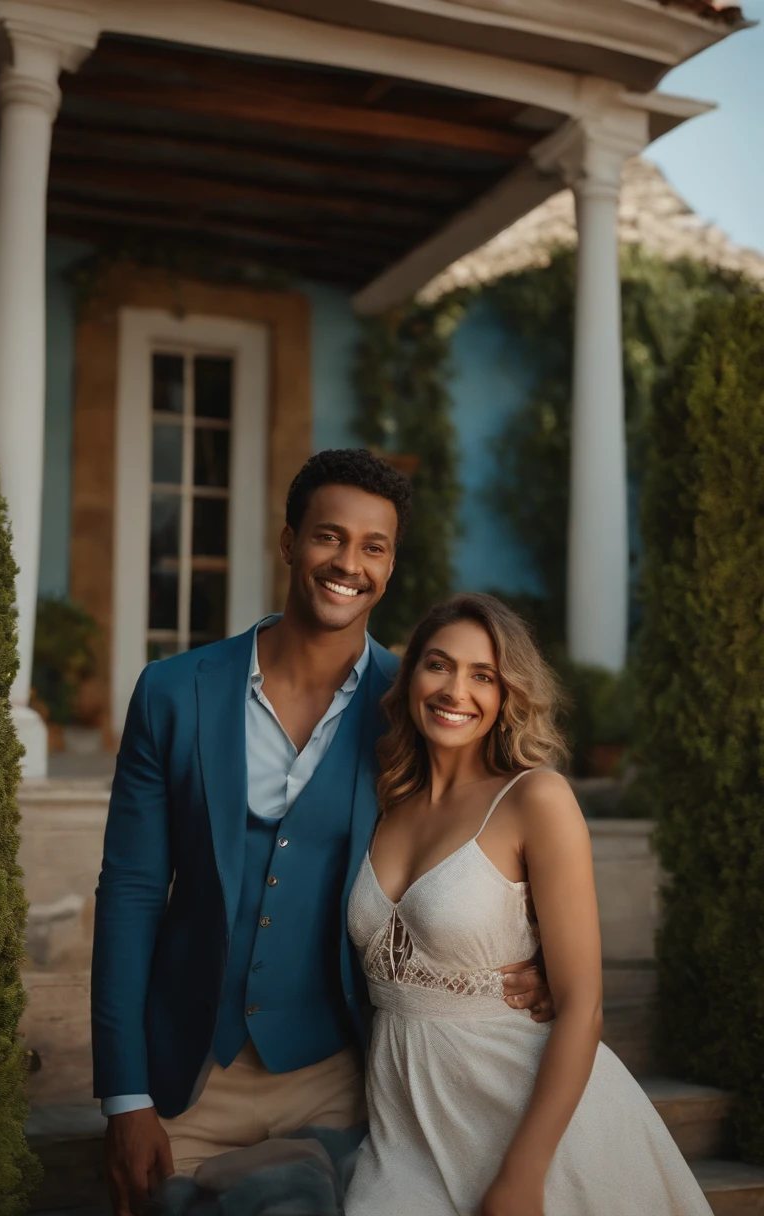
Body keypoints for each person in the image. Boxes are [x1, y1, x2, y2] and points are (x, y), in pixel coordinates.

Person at [91, 451, 551, 1216]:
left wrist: (544, 957)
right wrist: (125, 1095)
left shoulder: (420, 702)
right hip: (185, 1078)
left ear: (392, 563)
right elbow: (132, 894)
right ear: (288, 542)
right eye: (328, 537)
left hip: (341, 1077)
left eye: (374, 547)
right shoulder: (172, 693)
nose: (349, 564)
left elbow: (502, 817)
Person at [345, 592, 713, 1216]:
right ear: (410, 677)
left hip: (537, 1127)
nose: (455, 689)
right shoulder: (384, 801)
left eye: (482, 675)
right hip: (404, 1128)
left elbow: (583, 1007)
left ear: (507, 693)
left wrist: (524, 1174)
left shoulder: (535, 799)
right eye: (438, 665)